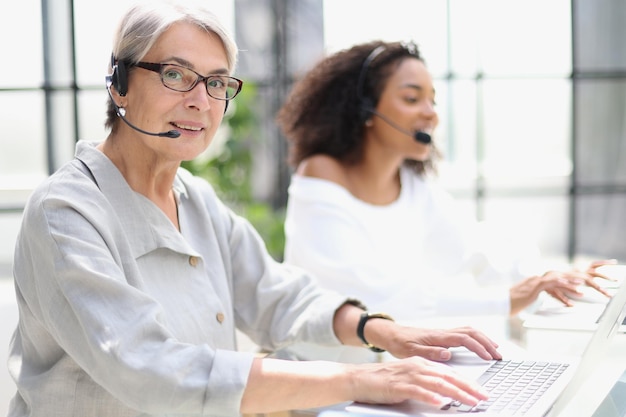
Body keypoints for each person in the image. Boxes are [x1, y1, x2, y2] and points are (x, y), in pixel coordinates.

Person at [6, 3, 505, 417]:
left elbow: (275, 295)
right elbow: (148, 367)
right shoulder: (66, 213)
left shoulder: (195, 198)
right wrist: (361, 378)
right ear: (119, 85)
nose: (201, 101)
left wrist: (384, 331)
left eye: (218, 82)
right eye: (176, 74)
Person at [276, 40, 616, 327]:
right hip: (331, 379)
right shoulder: (321, 174)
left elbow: (477, 252)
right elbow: (373, 295)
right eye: (412, 99)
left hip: (394, 370)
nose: (431, 113)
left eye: (433, 100)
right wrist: (507, 299)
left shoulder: (412, 186)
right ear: (366, 109)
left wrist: (554, 277)